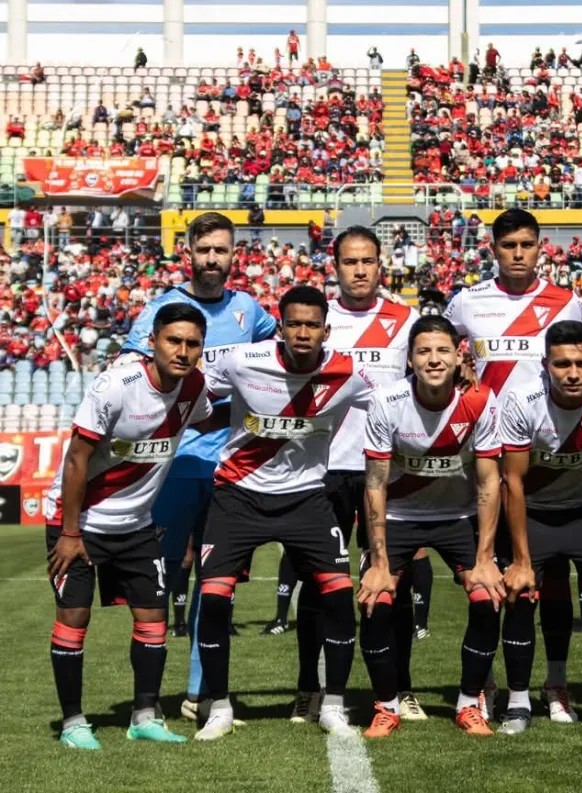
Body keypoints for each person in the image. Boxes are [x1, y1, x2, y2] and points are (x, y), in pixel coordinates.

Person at [193, 286, 374, 741]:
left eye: (312, 324)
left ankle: (332, 704)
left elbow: (397, 400)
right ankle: (218, 707)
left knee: (338, 596)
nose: (303, 332)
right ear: (281, 326)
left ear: (326, 330)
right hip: (237, 495)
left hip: (307, 498)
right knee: (213, 599)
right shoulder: (241, 360)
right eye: (294, 323)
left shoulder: (348, 372)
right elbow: (190, 384)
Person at [120, 212, 277, 724]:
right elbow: (127, 368)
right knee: (158, 582)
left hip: (231, 467)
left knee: (217, 582)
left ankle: (198, 689)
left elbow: (279, 360)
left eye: (221, 250)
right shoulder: (162, 308)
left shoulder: (249, 311)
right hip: (173, 465)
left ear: (234, 255)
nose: (212, 259)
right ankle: (148, 697)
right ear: (188, 251)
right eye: (204, 249)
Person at [263, 227, 422, 726]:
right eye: (349, 262)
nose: (359, 270)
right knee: (318, 586)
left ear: (381, 265)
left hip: (385, 472)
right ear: (334, 267)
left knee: (391, 584)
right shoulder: (317, 322)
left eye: (367, 261)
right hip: (321, 470)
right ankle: (309, 689)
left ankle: (401, 690)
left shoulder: (406, 320)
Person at [45, 303, 214, 750]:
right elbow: (77, 457)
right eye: (173, 340)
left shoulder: (195, 387)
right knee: (73, 618)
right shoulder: (116, 386)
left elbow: (209, 419)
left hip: (138, 525)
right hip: (81, 523)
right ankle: (74, 722)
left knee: (154, 619)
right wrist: (70, 532)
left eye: (192, 343)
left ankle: (144, 715)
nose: (182, 351)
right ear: (153, 341)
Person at [444, 208, 582, 722]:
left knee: (551, 580)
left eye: (527, 244)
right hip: (483, 458)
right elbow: (436, 337)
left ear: (540, 246)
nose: (518, 253)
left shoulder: (568, 302)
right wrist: (459, 367)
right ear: (493, 249)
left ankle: (556, 682)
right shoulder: (469, 302)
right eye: (509, 246)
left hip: (546, 460)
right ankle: (492, 684)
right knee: (491, 577)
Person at [357, 315, 504, 738]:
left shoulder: (480, 401)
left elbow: (490, 480)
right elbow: (375, 483)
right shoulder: (387, 402)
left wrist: (485, 558)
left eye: (443, 351)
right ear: (410, 359)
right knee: (376, 600)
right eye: (424, 351)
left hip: (457, 518)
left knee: (486, 597)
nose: (434, 359)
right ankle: (386, 706)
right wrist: (379, 561)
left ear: (459, 358)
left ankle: (467, 703)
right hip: (400, 518)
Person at [498, 320, 582, 736]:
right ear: (545, 365)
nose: (572, 373)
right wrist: (520, 559)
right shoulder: (521, 399)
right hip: (534, 512)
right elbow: (513, 482)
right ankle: (519, 701)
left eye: (581, 363)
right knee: (519, 593)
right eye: (561, 364)